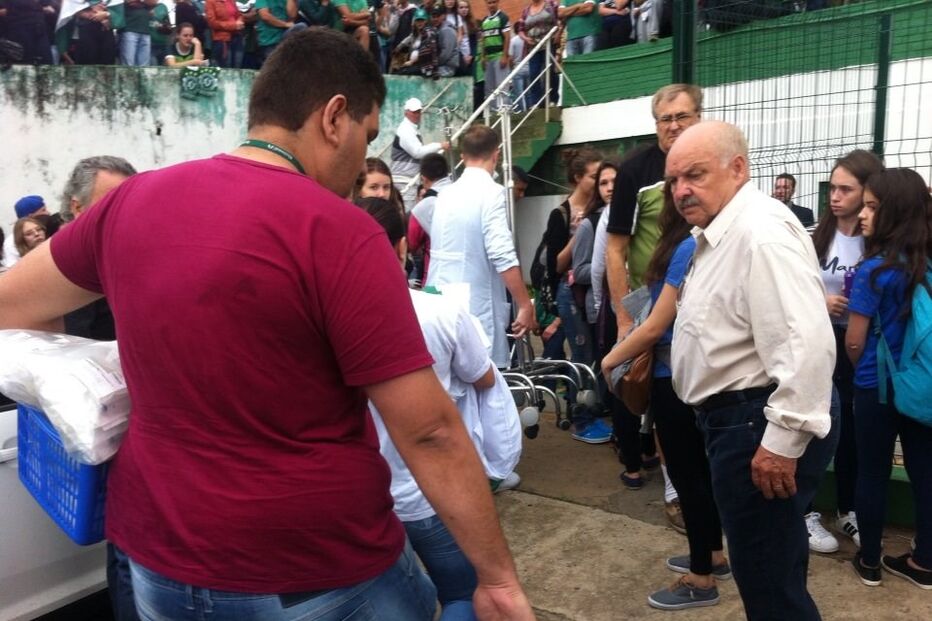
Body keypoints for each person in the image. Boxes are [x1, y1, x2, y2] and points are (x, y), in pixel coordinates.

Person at [0, 29, 534, 621]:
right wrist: (498, 580)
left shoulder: (131, 203)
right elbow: (429, 431)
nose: (362, 161)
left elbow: (10, 304)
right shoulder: (340, 230)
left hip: (159, 560)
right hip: (313, 568)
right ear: (335, 117)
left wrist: (78, 376)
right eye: (368, 135)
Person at [668, 121, 838, 620]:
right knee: (772, 573)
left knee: (769, 588)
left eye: (695, 175)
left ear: (737, 168)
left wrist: (781, 442)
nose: (681, 190)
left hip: (755, 425)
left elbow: (805, 342)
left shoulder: (759, 232)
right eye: (674, 179)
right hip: (737, 423)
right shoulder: (725, 230)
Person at [358, 195, 522, 618]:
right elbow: (484, 376)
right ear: (401, 246)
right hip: (432, 495)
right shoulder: (441, 312)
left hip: (368, 499)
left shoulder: (325, 323)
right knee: (462, 594)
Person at [601, 181, 728, 610]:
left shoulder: (682, 250)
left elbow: (656, 324)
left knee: (687, 475)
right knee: (699, 473)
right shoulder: (698, 246)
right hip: (691, 373)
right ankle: (711, 553)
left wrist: (609, 362)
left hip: (672, 375)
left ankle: (701, 578)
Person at [605, 84, 701, 521]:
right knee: (664, 395)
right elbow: (615, 248)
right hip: (657, 303)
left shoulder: (712, 164)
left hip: (707, 299)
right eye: (667, 119)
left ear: (699, 116)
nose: (675, 125)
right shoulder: (634, 170)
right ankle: (674, 489)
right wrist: (625, 316)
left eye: (684, 116)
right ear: (655, 124)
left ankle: (703, 487)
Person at [845, 167, 932, 590]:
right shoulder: (926, 264)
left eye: (872, 207)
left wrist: (855, 361)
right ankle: (925, 562)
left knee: (872, 472)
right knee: (926, 470)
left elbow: (856, 340)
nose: (863, 214)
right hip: (924, 384)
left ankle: (870, 561)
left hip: (875, 388)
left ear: (893, 213)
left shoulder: (873, 271)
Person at [805, 149, 884, 554]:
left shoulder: (877, 241)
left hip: (860, 344)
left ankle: (848, 508)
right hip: (819, 338)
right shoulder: (815, 234)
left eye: (845, 189)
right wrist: (821, 300)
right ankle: (804, 510)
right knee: (816, 420)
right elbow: (792, 285)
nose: (834, 196)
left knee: (853, 425)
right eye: (832, 188)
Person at [426, 124, 537, 369]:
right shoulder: (492, 194)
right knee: (480, 387)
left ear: (463, 157)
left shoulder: (444, 195)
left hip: (437, 301)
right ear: (496, 155)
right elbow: (502, 254)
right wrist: (524, 304)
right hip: (474, 308)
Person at [390, 97, 449, 209]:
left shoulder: (412, 129)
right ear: (406, 112)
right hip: (403, 179)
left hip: (408, 178)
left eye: (418, 111)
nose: (417, 114)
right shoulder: (405, 130)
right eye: (414, 112)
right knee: (406, 210)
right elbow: (417, 152)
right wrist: (439, 145)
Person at [408, 153, 451, 285]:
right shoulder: (465, 195)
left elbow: (411, 243)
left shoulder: (424, 206)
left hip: (436, 275)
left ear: (424, 179)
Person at [517, 0, 558, 107]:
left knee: (550, 71)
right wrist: (526, 39)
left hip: (548, 44)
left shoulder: (550, 4)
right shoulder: (526, 11)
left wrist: (558, 33)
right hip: (533, 47)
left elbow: (559, 19)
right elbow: (520, 30)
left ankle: (552, 99)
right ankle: (537, 102)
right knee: (533, 73)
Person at [3, 195, 48, 269]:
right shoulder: (10, 243)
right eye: (43, 210)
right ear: (30, 216)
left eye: (39, 229)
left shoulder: (47, 226)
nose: (48, 213)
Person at [478, 0, 510, 100]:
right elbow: (483, 40)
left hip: (499, 56)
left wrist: (504, 56)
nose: (491, 5)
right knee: (489, 88)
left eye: (493, 2)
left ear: (498, 2)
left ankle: (505, 112)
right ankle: (492, 113)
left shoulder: (503, 17)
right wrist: (483, 57)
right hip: (488, 58)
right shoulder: (484, 21)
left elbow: (507, 38)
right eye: (489, 2)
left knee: (502, 86)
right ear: (486, 3)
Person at [206, 0, 247, 68]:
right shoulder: (210, 2)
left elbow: (239, 15)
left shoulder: (231, 1)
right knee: (226, 68)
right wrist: (233, 25)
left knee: (238, 67)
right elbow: (212, 23)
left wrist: (240, 21)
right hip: (222, 41)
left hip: (237, 38)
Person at [254, 0, 297, 64]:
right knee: (273, 67)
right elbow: (265, 16)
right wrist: (285, 24)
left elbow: (292, 15)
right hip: (269, 40)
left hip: (285, 39)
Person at [119, 0, 159, 66]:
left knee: (144, 66)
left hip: (145, 31)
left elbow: (153, 2)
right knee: (128, 64)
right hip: (129, 29)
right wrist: (145, 3)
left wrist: (141, 2)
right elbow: (130, 2)